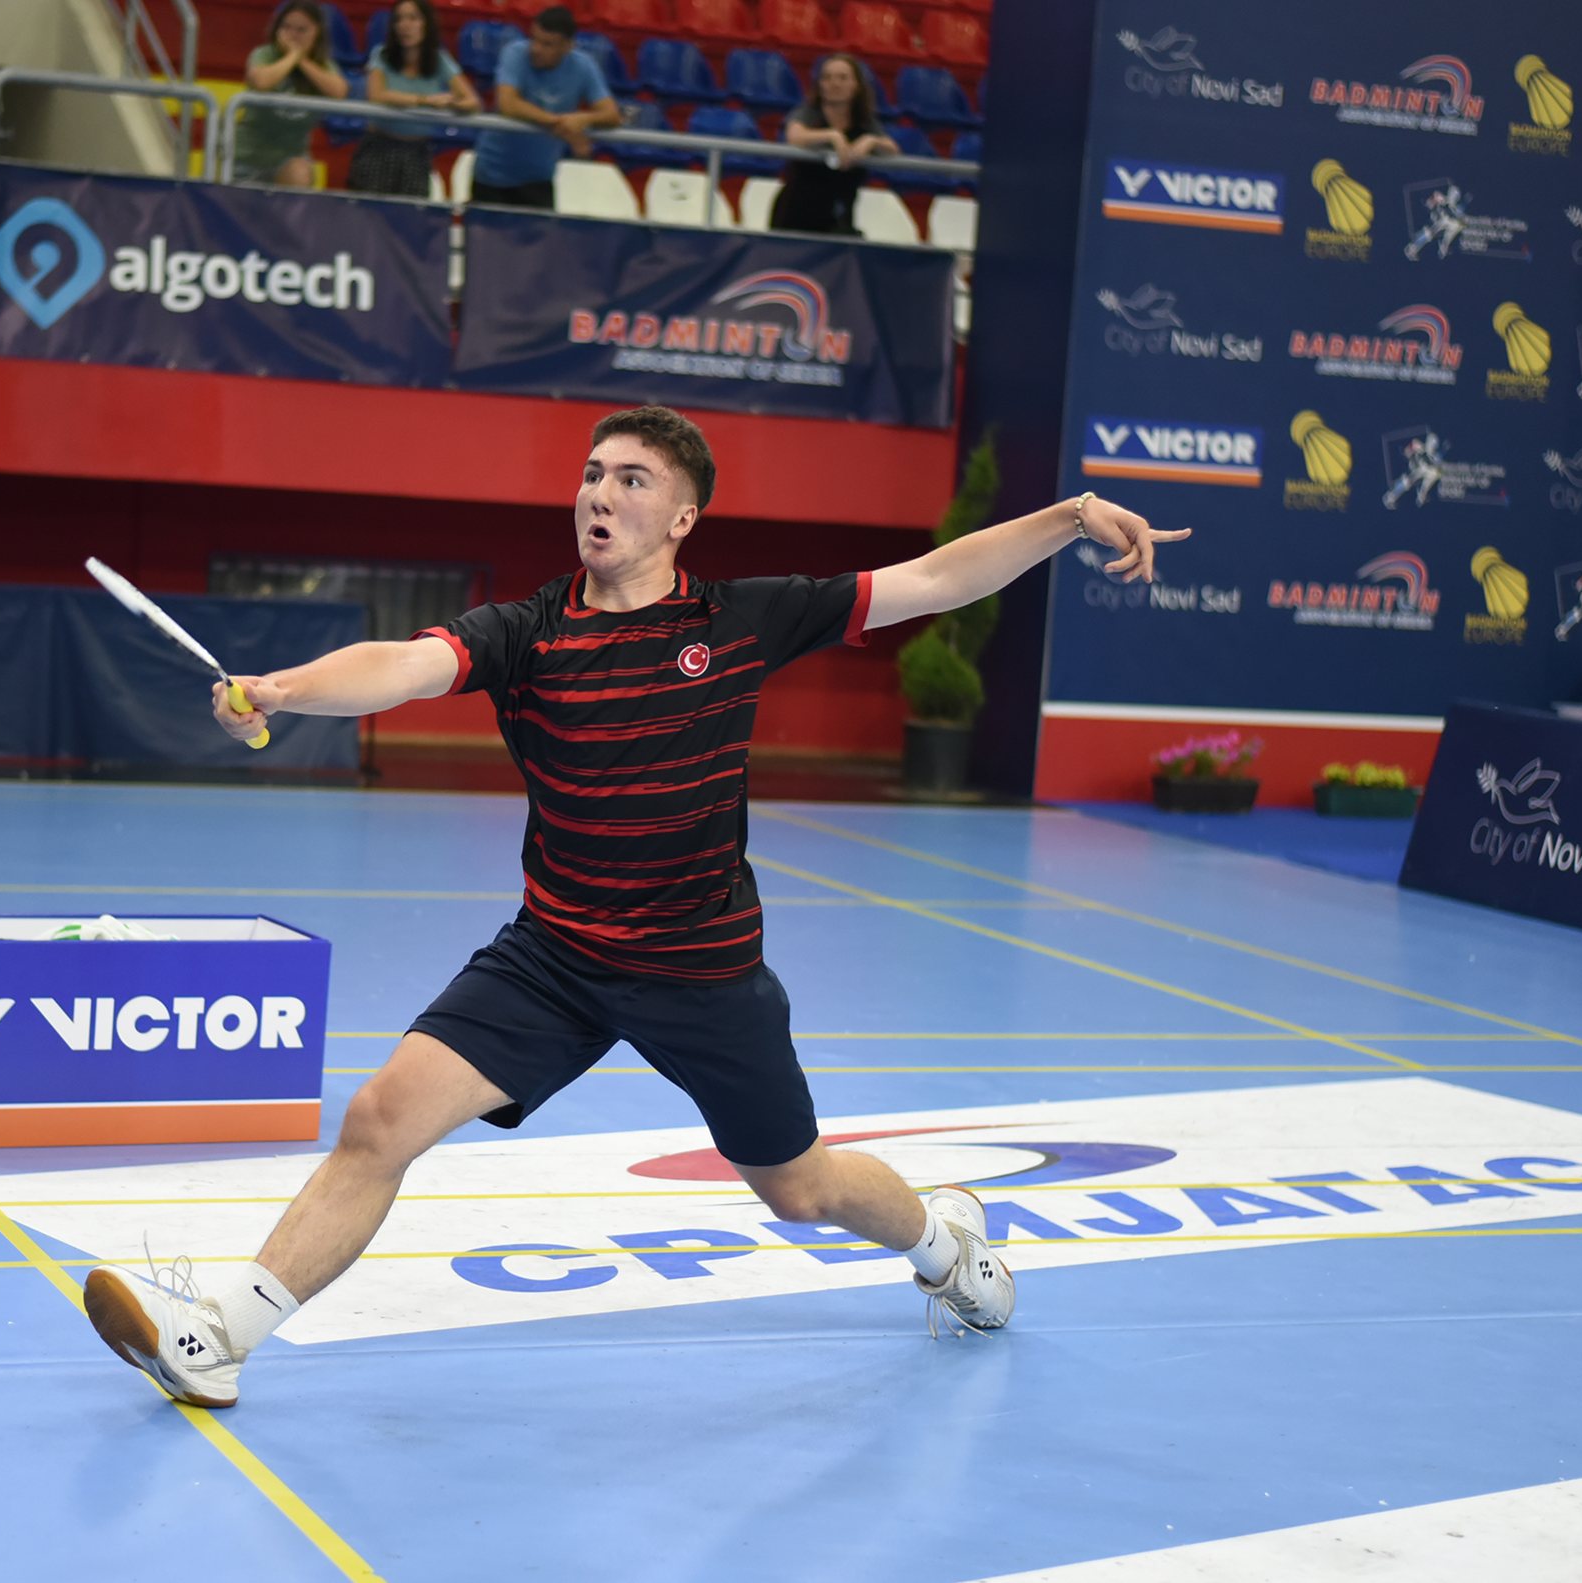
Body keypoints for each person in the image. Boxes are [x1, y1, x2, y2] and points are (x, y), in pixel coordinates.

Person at [81, 405, 1187, 1408]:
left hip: (702, 970)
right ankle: (218, 1338)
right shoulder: (528, 631)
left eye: (631, 479)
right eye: (591, 474)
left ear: (682, 517)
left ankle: (944, 1245)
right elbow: (405, 666)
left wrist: (1070, 516)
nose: (599, 495)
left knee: (802, 1190)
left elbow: (936, 578)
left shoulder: (742, 618)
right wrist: (285, 690)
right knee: (379, 1117)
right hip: (554, 954)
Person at [469, 6, 617, 210]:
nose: (536, 49)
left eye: (547, 44)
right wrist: (560, 124)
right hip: (492, 176)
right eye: (534, 39)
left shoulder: (584, 66)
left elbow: (611, 114)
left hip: (539, 179)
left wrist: (582, 119)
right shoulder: (515, 53)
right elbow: (508, 104)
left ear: (568, 46)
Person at [348, 0, 477, 197]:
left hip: (417, 151)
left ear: (426, 23)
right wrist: (425, 100)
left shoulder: (440, 59)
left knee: (411, 213)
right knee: (368, 210)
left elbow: (472, 102)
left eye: (413, 18)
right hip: (378, 146)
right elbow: (377, 95)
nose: (404, 25)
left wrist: (449, 102)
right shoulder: (381, 55)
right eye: (399, 19)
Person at [771, 54, 900, 236]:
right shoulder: (809, 113)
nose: (835, 84)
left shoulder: (865, 122)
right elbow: (794, 136)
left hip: (839, 219)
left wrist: (871, 141)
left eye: (842, 78)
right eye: (827, 77)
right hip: (796, 216)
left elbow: (892, 149)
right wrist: (832, 135)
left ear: (856, 85)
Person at [235, 1, 349, 188]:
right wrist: (293, 56)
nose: (292, 35)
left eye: (301, 30)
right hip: (248, 158)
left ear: (317, 33)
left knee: (300, 172)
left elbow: (339, 91)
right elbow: (261, 82)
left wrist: (300, 59)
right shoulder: (265, 54)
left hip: (289, 158)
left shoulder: (323, 65)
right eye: (286, 27)